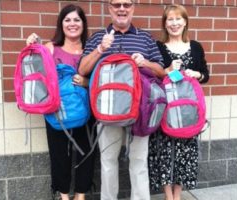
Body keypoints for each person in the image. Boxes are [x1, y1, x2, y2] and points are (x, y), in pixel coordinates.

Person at [78, 0, 165, 199]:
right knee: (108, 162)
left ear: (133, 8)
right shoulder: (98, 37)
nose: (122, 9)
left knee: (139, 163)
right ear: (109, 8)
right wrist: (100, 49)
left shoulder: (144, 38)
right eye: (117, 4)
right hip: (106, 112)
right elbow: (82, 69)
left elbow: (161, 72)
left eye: (127, 4)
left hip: (139, 112)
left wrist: (146, 63)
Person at [26, 4, 95, 200]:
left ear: (83, 24)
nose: (72, 24)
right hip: (56, 109)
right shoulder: (50, 48)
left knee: (87, 152)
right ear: (61, 24)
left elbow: (100, 80)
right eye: (67, 20)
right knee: (58, 153)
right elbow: (35, 71)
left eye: (76, 20)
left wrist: (86, 82)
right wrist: (32, 45)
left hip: (86, 110)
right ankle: (63, 195)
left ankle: (80, 195)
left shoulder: (90, 49)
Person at [148, 4, 209, 200]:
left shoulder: (196, 47)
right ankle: (168, 195)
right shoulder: (158, 47)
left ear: (185, 22)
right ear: (165, 24)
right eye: (170, 20)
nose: (174, 23)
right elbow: (154, 75)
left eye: (178, 19)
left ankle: (178, 194)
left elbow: (205, 74)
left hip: (190, 110)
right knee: (165, 152)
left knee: (185, 152)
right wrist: (168, 69)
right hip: (167, 108)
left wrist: (196, 74)